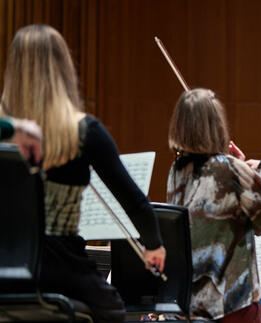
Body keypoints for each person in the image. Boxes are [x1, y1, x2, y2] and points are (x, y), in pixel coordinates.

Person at [1, 24, 166, 322]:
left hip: (6, 268)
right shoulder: (84, 131)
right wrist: (154, 246)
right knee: (117, 311)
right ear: (63, 70)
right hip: (62, 268)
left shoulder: (5, 131)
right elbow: (135, 203)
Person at [166, 88, 261, 323]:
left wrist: (239, 171)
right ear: (217, 125)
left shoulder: (176, 173)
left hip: (189, 309)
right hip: (230, 309)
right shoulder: (227, 170)